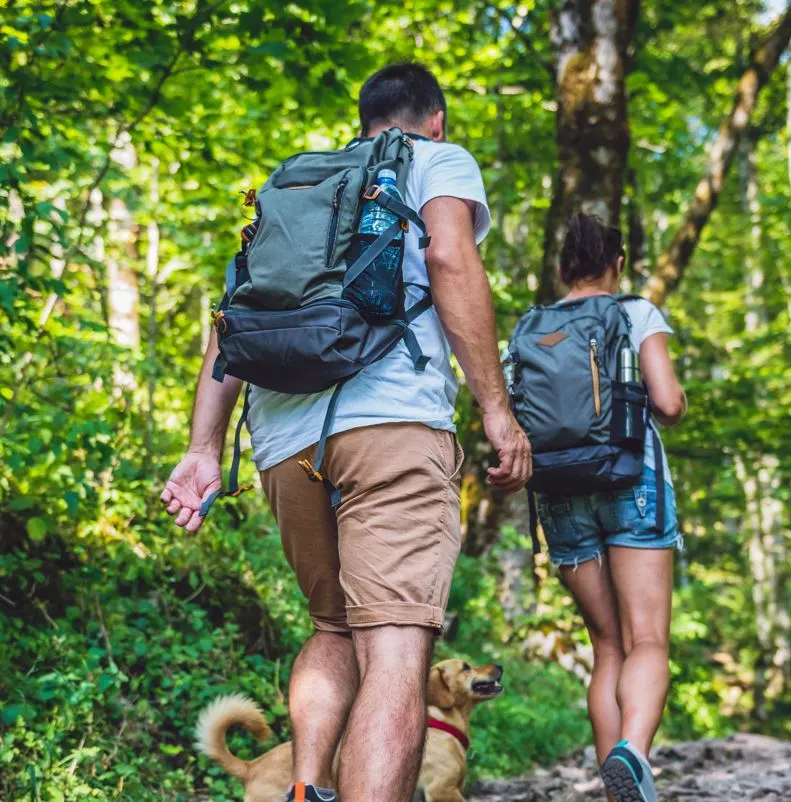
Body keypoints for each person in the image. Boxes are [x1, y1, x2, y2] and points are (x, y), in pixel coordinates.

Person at [160, 63, 531, 802]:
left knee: (334, 629)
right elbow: (451, 259)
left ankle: (305, 787)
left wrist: (203, 449)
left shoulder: (296, 184)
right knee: (395, 646)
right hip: (390, 424)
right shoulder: (434, 159)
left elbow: (232, 313)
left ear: (361, 120)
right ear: (437, 118)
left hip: (282, 440)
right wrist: (497, 408)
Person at [537, 215, 686, 802]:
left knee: (606, 645)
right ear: (617, 265)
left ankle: (614, 789)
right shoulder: (634, 311)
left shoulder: (534, 325)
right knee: (647, 639)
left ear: (561, 268)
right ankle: (633, 751)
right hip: (632, 480)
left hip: (558, 490)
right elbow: (668, 402)